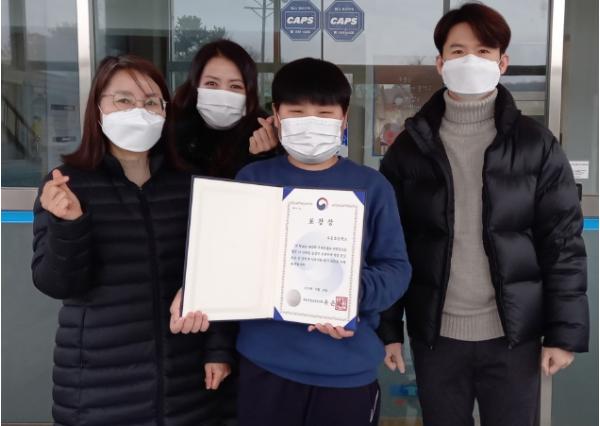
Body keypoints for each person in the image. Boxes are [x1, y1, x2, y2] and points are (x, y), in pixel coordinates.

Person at [377, 4, 589, 426]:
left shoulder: (535, 144)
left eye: (484, 51)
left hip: (513, 336)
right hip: (437, 337)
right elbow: (389, 244)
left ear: (502, 62)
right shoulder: (410, 147)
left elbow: (562, 242)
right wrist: (388, 330)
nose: (470, 60)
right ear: (440, 63)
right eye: (458, 51)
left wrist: (563, 333)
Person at [32, 55, 233, 426]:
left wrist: (218, 349)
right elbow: (56, 283)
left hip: (184, 381)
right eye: (123, 100)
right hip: (97, 384)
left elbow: (216, 273)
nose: (139, 111)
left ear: (165, 112)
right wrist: (69, 225)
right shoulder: (68, 184)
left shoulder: (190, 185)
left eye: (151, 102)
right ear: (97, 109)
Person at [231, 57, 411, 426]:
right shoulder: (253, 180)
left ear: (344, 119)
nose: (311, 122)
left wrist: (346, 296)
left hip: (347, 368)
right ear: (276, 116)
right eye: (296, 112)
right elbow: (231, 262)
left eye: (325, 112)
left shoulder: (373, 186)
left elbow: (396, 268)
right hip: (267, 364)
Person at [172, 39, 280, 178]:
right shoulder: (170, 131)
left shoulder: (263, 133)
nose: (223, 94)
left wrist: (262, 158)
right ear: (195, 85)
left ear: (249, 92)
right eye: (211, 83)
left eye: (235, 86)